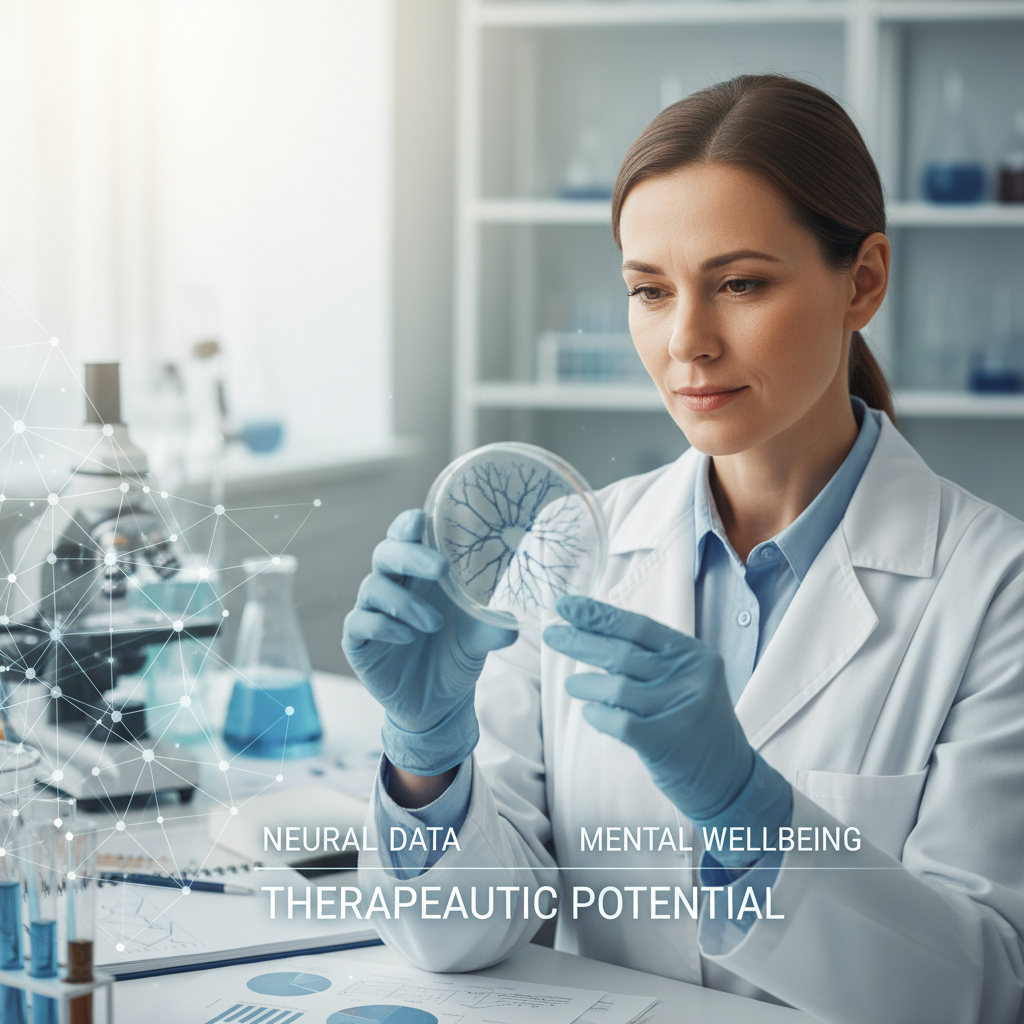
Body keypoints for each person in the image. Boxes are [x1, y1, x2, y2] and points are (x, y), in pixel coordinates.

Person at [342, 75, 1024, 1023]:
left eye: (740, 284)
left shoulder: (997, 591)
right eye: (649, 292)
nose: (687, 343)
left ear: (862, 281)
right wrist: (427, 755)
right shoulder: (573, 550)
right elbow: (460, 935)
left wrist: (747, 808)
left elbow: (984, 989)